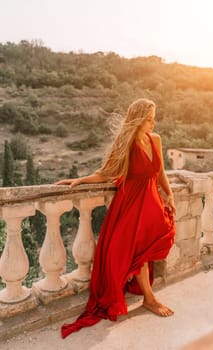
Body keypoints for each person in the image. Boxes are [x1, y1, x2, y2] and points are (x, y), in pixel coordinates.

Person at [56, 98, 176, 339]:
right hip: (131, 205)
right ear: (139, 118)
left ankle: (147, 296)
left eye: (154, 118)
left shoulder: (156, 139)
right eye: (149, 118)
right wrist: (80, 180)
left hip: (151, 202)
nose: (153, 123)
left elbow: (160, 170)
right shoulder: (127, 143)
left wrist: (169, 193)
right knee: (134, 251)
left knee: (149, 246)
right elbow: (106, 173)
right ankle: (149, 299)